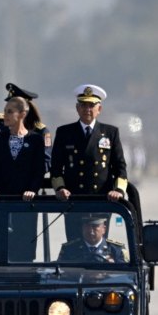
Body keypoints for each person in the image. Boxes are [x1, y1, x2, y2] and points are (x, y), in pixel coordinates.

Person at [51, 84, 128, 241]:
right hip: (74, 201)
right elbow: (56, 167)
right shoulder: (65, 133)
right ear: (77, 108)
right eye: (84, 105)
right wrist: (60, 188)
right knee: (74, 246)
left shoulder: (110, 133)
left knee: (98, 247)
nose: (87, 109)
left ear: (99, 109)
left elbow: (120, 166)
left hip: (100, 201)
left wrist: (118, 191)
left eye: (92, 105)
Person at [0, 96, 46, 261]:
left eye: (10, 112)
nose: (5, 115)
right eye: (5, 111)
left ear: (22, 114)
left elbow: (39, 170)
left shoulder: (35, 140)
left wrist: (32, 190)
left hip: (25, 204)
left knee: (23, 253)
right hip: (2, 201)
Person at [0, 82, 52, 174]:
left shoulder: (41, 131)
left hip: (27, 184)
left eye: (12, 109)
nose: (7, 113)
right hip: (0, 183)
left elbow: (46, 163)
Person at [57, 215, 129, 263]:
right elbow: (61, 273)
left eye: (95, 226)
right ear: (82, 228)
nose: (90, 231)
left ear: (104, 229)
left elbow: (127, 275)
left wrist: (112, 269)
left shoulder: (116, 250)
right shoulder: (68, 249)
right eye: (87, 227)